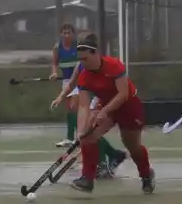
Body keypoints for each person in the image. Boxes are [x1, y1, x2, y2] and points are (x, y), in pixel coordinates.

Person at [65, 33, 156, 194]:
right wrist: (81, 131)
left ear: (95, 54)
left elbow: (123, 94)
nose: (83, 64)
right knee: (88, 137)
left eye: (85, 59)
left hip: (129, 107)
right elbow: (84, 106)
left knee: (132, 146)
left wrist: (104, 111)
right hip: (107, 106)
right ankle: (87, 179)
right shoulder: (84, 76)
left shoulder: (113, 65)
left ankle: (146, 175)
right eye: (80, 60)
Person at [50, 30, 127, 178]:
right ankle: (114, 154)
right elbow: (72, 84)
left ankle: (104, 163)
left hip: (104, 98)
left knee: (90, 131)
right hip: (92, 97)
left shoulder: (101, 62)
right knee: (87, 133)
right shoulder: (81, 64)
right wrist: (60, 97)